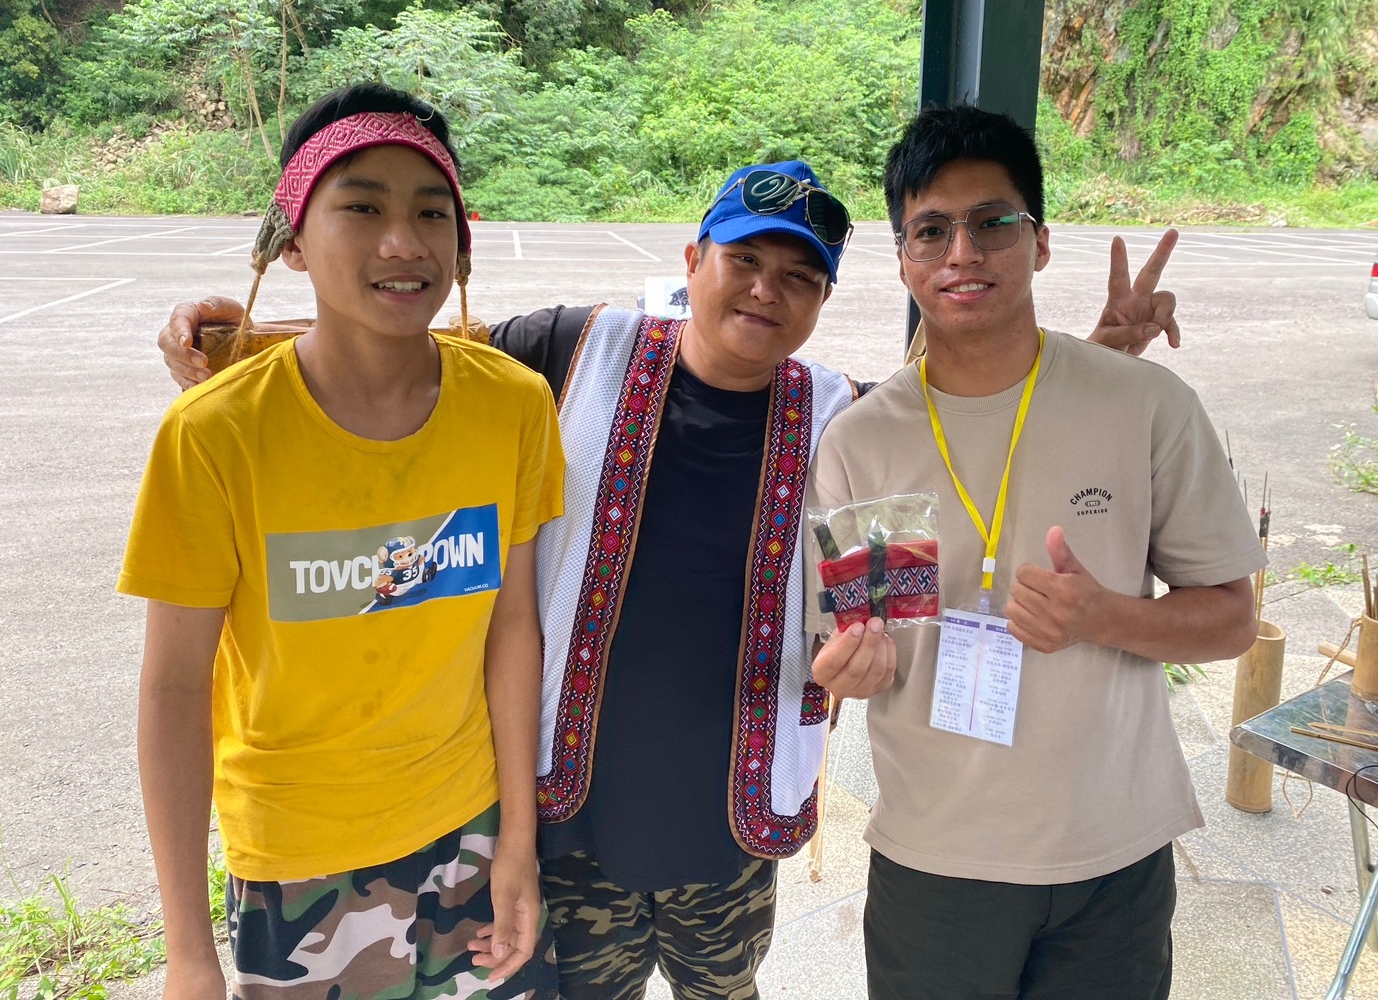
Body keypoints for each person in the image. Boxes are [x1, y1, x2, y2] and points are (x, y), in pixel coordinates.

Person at [156, 154, 1181, 1000]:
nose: (766, 290)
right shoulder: (570, 349)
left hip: (730, 829)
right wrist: (235, 339)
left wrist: (1101, 349)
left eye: (800, 276)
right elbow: (402, 349)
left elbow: (961, 445)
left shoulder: (847, 419)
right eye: (745, 259)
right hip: (569, 821)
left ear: (823, 298)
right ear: (694, 259)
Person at [806, 104, 1265, 1000]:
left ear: (1040, 241)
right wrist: (850, 667)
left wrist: (1105, 616)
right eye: (931, 230)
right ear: (902, 258)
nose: (961, 253)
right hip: (935, 858)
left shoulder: (1143, 405)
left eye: (992, 222)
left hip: (1113, 853)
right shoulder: (863, 440)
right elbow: (861, 633)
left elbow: (1230, 619)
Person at [121, 83, 565, 1000]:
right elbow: (173, 688)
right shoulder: (215, 433)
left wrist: (518, 845)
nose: (402, 242)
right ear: (291, 240)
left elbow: (512, 627)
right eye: (361, 207)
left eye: (431, 212)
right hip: (297, 862)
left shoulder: (513, 405)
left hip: (472, 835)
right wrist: (188, 950)